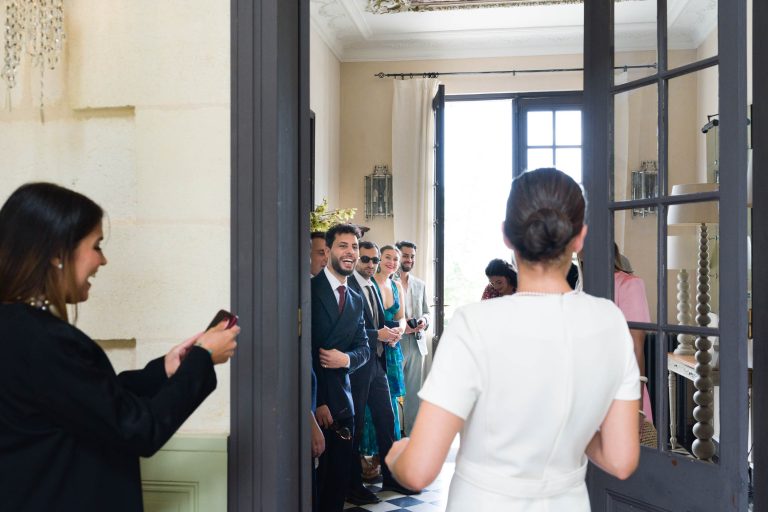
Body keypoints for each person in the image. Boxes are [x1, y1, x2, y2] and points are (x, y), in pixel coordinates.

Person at [385, 168, 640, 511]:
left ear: (507, 235)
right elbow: (621, 460)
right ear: (580, 237)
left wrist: (397, 456)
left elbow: (418, 471)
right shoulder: (609, 322)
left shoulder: (473, 324)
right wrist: (566, 425)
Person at [0, 182, 239, 512]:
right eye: (96, 246)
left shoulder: (17, 329)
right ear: (56, 253)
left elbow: (88, 399)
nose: (103, 260)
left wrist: (164, 370)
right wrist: (202, 358)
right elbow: (139, 429)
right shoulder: (46, 340)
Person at [346, 241, 413, 505]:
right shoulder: (350, 285)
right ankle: (352, 484)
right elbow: (348, 328)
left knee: (386, 419)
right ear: (356, 260)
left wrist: (392, 333)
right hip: (357, 365)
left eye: (374, 260)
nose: (371, 264)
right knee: (356, 424)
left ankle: (391, 476)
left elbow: (381, 321)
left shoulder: (373, 286)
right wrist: (378, 335)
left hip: (377, 362)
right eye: (366, 259)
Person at [311, 223, 371, 512]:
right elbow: (302, 354)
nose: (350, 252)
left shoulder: (356, 300)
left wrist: (344, 360)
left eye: (354, 247)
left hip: (345, 405)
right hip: (315, 406)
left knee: (337, 486)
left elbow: (365, 349)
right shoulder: (308, 291)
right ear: (328, 251)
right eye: (343, 246)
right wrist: (317, 402)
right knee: (316, 488)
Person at [613, 243, 654, 425]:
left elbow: (637, 347)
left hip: (623, 390)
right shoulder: (580, 287)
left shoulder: (629, 284)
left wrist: (637, 408)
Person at [395, 240, 430, 436]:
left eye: (412, 256)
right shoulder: (387, 281)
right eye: (405, 255)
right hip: (395, 344)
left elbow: (427, 312)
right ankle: (393, 436)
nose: (409, 259)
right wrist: (402, 325)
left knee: (414, 393)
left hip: (417, 344)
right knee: (392, 392)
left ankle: (412, 436)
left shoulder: (420, 284)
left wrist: (424, 320)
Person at [371, 245, 407, 439]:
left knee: (390, 397)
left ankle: (390, 446)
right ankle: (370, 451)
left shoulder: (397, 286)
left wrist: (400, 331)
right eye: (387, 257)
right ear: (379, 259)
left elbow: (401, 317)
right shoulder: (369, 282)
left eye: (395, 259)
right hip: (374, 345)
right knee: (374, 397)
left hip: (393, 346)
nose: (391, 262)